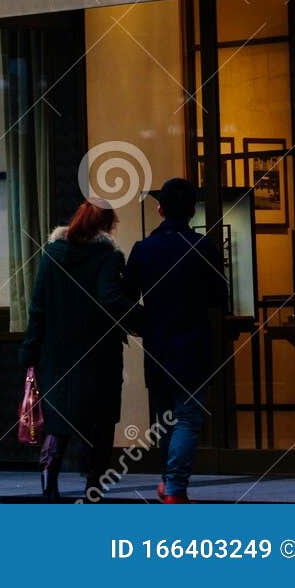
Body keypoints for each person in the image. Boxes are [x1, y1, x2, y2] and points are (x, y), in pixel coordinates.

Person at [20, 200, 138, 502]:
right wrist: (145, 321)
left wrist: (30, 351)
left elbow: (38, 308)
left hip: (57, 354)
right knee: (101, 422)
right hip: (100, 353)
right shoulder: (108, 258)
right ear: (107, 225)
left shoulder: (52, 255)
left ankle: (49, 480)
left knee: (59, 420)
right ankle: (94, 485)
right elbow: (110, 299)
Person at [124, 177, 228, 505]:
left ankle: (166, 481)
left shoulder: (143, 250)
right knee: (188, 416)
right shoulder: (203, 247)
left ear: (160, 209)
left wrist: (145, 324)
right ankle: (174, 488)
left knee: (165, 416)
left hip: (156, 345)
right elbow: (219, 296)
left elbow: (126, 299)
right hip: (193, 343)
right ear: (191, 211)